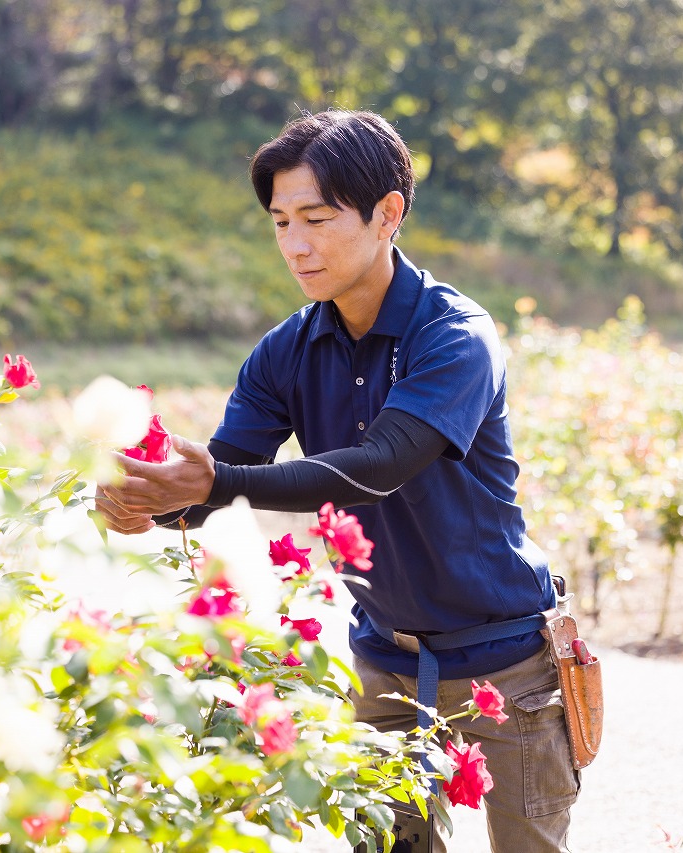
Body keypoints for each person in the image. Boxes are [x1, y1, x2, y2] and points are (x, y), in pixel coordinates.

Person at [94, 110, 580, 852]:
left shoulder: (455, 336)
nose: (295, 244)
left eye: (317, 218)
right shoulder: (285, 351)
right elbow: (231, 473)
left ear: (389, 213)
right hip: (384, 668)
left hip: (506, 668)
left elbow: (381, 465)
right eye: (281, 220)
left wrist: (210, 482)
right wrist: (149, 498)